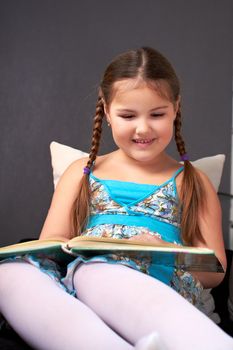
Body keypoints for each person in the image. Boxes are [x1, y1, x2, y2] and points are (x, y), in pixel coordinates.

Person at [0, 47, 232, 350]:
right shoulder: (83, 172)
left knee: (100, 273)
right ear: (107, 111)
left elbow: (215, 272)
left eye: (157, 114)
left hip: (153, 282)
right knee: (9, 275)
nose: (143, 128)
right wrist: (75, 246)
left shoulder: (190, 180)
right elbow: (50, 243)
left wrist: (165, 250)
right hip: (82, 276)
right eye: (128, 115)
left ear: (176, 108)